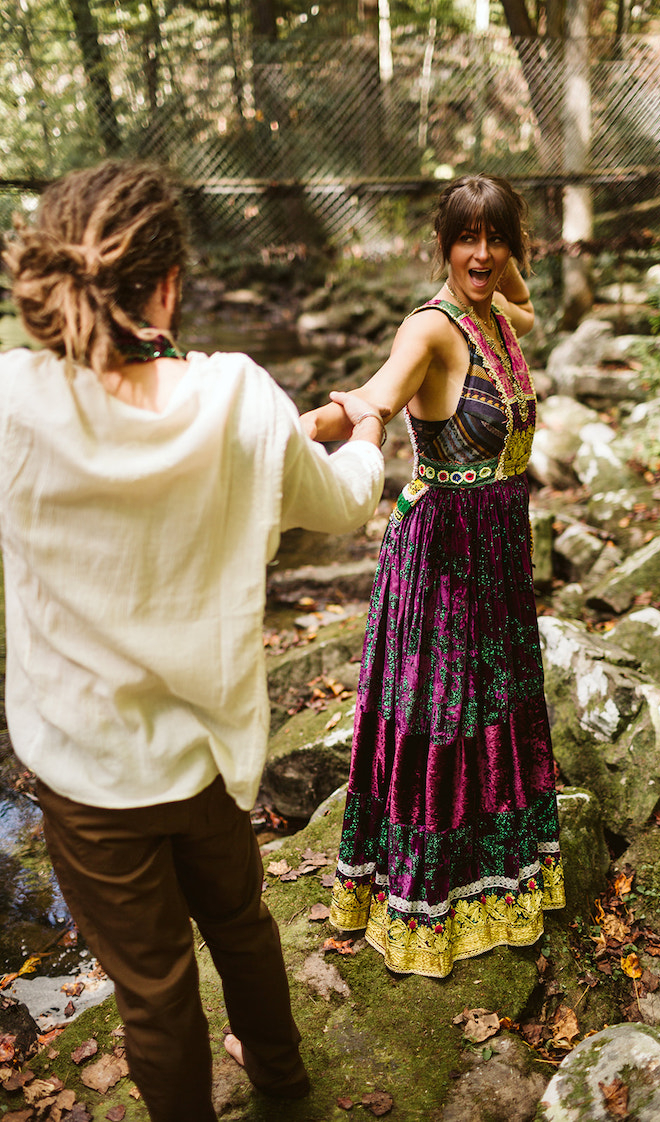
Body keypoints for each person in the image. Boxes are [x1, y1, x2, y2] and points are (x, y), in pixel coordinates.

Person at [0, 161, 386, 1120]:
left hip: (85, 774)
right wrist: (367, 427)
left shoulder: (10, 403)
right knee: (243, 927)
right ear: (168, 284)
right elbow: (339, 501)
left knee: (156, 994)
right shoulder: (241, 400)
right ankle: (286, 1092)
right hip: (209, 758)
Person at [309, 174, 565, 978]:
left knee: (496, 707)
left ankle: (499, 883)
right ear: (442, 244)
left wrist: (501, 250)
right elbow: (375, 398)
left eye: (495, 238)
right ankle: (428, 903)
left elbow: (524, 297)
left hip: (497, 547)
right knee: (445, 717)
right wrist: (303, 430)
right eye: (466, 238)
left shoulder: (499, 315)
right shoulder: (431, 330)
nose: (481, 254)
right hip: (443, 552)